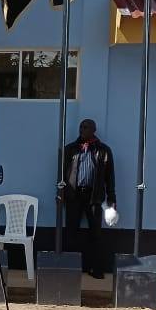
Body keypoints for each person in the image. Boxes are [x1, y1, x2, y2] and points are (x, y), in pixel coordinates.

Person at [61, 119, 116, 279]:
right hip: (74, 195)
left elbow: (110, 177)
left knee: (95, 233)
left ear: (93, 130)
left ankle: (96, 269)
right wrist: (60, 193)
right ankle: (71, 269)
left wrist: (112, 197)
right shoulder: (70, 149)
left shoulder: (103, 150)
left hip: (94, 196)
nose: (82, 129)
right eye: (80, 126)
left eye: (85, 127)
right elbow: (62, 174)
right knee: (71, 231)